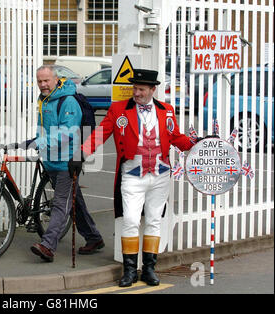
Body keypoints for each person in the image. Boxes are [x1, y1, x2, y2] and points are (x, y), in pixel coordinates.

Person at [69, 69, 198, 286]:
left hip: (160, 175)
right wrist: (81, 154)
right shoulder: (119, 109)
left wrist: (197, 144)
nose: (136, 93)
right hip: (132, 175)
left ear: (152, 90)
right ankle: (129, 270)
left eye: (141, 89)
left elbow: (176, 137)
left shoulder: (166, 110)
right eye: (134, 88)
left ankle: (149, 269)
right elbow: (101, 133)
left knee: (154, 221)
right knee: (130, 220)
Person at [27, 65, 104, 263]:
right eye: (40, 81)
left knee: (61, 203)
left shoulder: (68, 101)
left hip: (68, 162)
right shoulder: (44, 100)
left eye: (46, 81)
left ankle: (48, 245)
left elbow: (67, 133)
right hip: (51, 159)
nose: (43, 85)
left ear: (56, 79)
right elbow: (42, 127)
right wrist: (38, 141)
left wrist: (41, 142)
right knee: (74, 200)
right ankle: (94, 237)